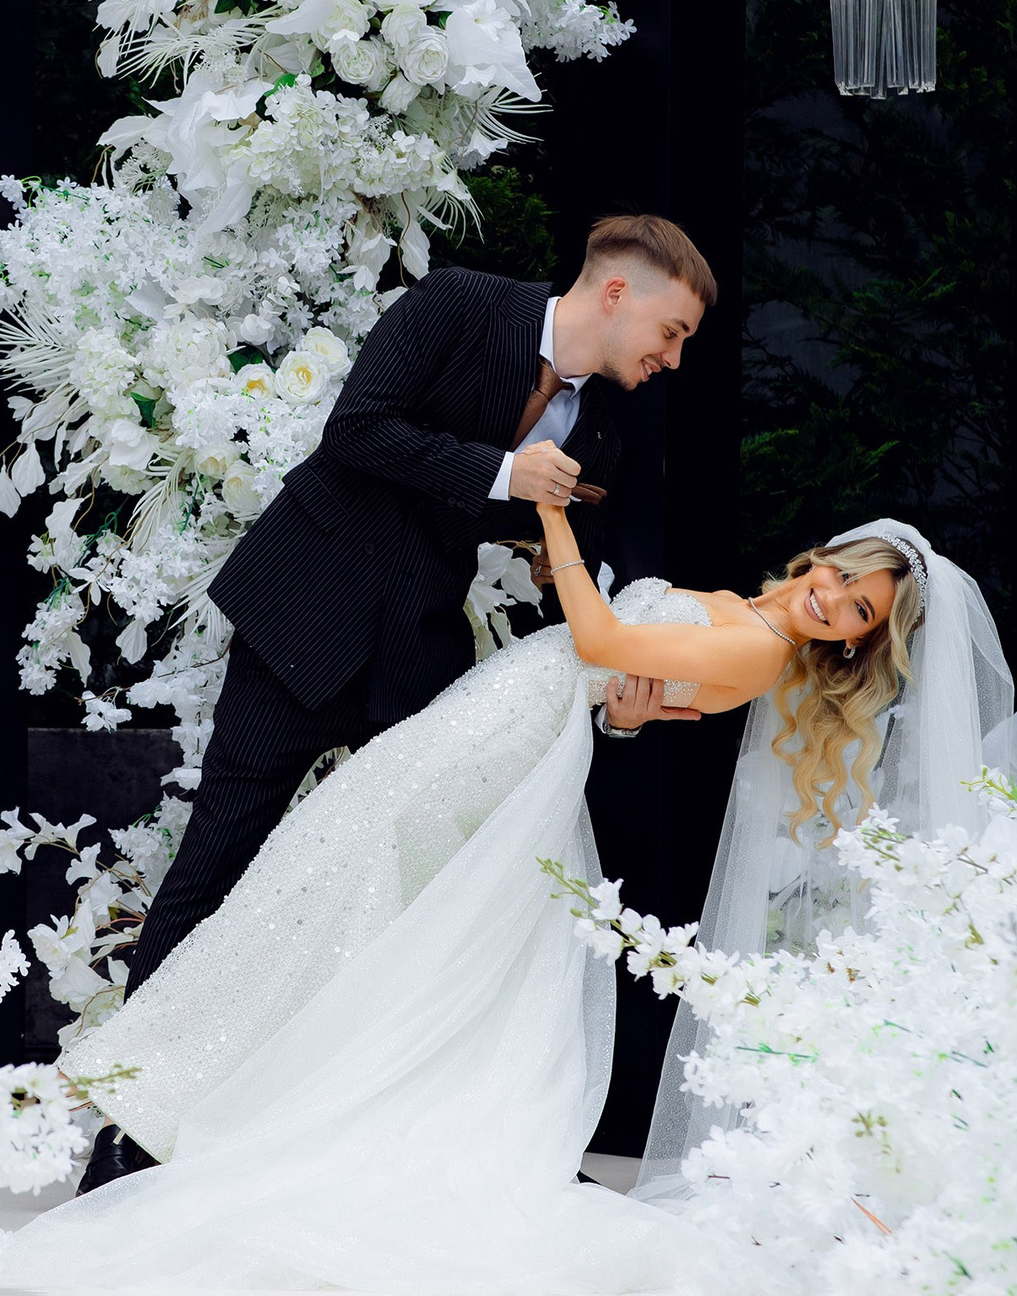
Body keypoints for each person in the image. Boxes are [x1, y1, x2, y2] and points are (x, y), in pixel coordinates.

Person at [0, 515, 1017, 1295]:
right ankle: (197, 1090)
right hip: (497, 721)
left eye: (856, 612)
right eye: (841, 576)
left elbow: (603, 634)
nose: (830, 599)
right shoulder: (742, 615)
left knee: (327, 872)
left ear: (854, 644)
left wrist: (558, 522)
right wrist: (616, 697)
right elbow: (621, 691)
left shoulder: (757, 653)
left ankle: (186, 1091)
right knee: (334, 886)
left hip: (499, 742)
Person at [73, 213, 721, 1193]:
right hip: (301, 617)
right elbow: (358, 430)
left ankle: (376, 1119)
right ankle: (127, 1133)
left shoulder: (601, 433)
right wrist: (504, 472)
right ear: (618, 291)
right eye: (671, 332)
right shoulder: (458, 302)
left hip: (414, 654)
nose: (672, 357)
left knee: (419, 881)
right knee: (219, 858)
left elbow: (574, 563)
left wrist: (579, 599)